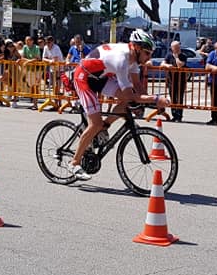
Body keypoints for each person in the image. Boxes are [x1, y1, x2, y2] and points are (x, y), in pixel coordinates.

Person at [67, 29, 169, 180]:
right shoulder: (122, 60)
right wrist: (155, 99)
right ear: (137, 48)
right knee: (94, 124)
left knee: (126, 102)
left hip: (100, 77)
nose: (149, 57)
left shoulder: (133, 59)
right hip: (84, 78)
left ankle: (105, 126)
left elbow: (138, 87)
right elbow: (129, 93)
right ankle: (74, 163)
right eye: (147, 53)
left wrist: (151, 101)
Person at [161, 40, 189, 122]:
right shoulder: (169, 55)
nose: (176, 49)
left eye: (178, 47)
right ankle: (174, 115)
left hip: (180, 80)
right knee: (173, 98)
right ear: (171, 48)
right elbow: (162, 63)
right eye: (174, 47)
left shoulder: (183, 55)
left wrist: (176, 57)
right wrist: (167, 65)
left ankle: (179, 116)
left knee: (179, 98)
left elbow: (180, 65)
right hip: (171, 80)